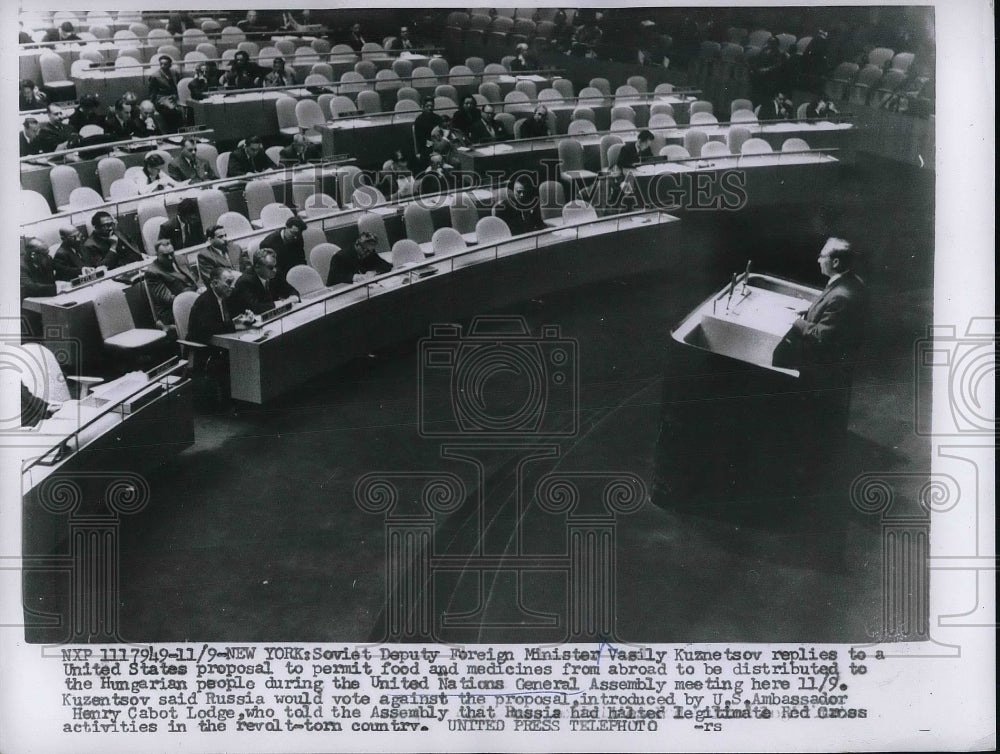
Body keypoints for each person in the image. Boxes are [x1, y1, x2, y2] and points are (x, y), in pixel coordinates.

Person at [144, 239, 198, 328]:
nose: (170, 258)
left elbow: (195, 279)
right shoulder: (152, 272)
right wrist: (193, 298)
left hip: (192, 300)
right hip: (172, 310)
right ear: (157, 255)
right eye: (165, 256)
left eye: (171, 253)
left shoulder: (181, 258)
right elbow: (168, 299)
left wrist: (200, 288)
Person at [230, 248, 299, 314]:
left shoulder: (276, 273)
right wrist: (283, 303)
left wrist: (294, 297)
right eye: (270, 267)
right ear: (257, 267)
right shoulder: (244, 282)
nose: (274, 270)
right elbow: (256, 307)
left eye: (275, 266)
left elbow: (291, 290)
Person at [327, 232, 391, 286]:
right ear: (357, 244)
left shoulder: (369, 253)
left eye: (369, 251)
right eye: (364, 250)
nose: (367, 254)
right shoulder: (340, 257)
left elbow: (386, 265)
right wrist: (354, 277)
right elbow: (333, 279)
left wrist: (374, 272)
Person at [261, 215, 308, 285]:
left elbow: (301, 259)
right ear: (286, 228)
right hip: (278, 279)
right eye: (293, 233)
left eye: (298, 234)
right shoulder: (268, 243)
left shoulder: (298, 238)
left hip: (295, 274)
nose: (295, 237)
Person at [148, 56, 183, 132]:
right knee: (172, 110)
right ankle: (173, 132)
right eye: (161, 64)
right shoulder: (154, 76)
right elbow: (152, 93)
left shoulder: (175, 73)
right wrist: (153, 105)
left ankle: (182, 130)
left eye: (165, 64)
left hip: (175, 97)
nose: (163, 66)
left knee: (184, 108)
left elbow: (179, 86)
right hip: (162, 98)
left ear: (170, 65)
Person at [412, 96, 443, 167]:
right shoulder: (419, 121)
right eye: (427, 106)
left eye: (431, 106)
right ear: (422, 107)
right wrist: (434, 146)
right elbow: (421, 140)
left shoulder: (438, 118)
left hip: (440, 145)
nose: (430, 108)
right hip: (426, 148)